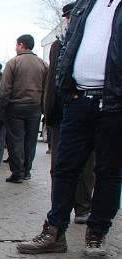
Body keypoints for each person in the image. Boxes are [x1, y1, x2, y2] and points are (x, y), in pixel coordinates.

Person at [17, 0, 122, 259]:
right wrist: (66, 87)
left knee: (108, 171)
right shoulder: (86, 4)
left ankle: (96, 233)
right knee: (64, 168)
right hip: (78, 99)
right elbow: (69, 44)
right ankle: (54, 231)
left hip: (113, 102)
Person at [43, 2, 95, 225]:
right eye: (68, 17)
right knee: (60, 166)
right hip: (59, 113)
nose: (69, 21)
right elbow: (51, 83)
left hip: (86, 109)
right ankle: (58, 212)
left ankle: (83, 207)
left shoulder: (91, 42)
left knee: (87, 165)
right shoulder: (57, 45)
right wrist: (48, 111)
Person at [0, 34, 48, 183]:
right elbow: (47, 89)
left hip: (16, 106)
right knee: (30, 140)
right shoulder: (43, 64)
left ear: (21, 45)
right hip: (35, 107)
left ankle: (18, 172)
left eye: (16, 45)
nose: (15, 47)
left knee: (16, 140)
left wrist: (3, 105)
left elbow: (5, 88)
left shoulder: (13, 63)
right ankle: (27, 171)